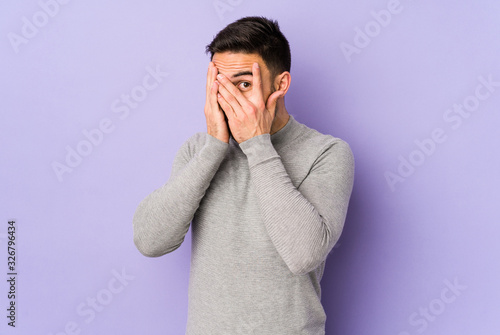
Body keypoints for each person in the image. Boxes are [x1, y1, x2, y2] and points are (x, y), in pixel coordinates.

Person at [133, 16, 355, 334]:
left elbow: (304, 254)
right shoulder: (198, 149)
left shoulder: (327, 153)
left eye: (244, 84)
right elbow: (149, 240)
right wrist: (213, 149)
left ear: (281, 84)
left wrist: (258, 145)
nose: (230, 99)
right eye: (220, 86)